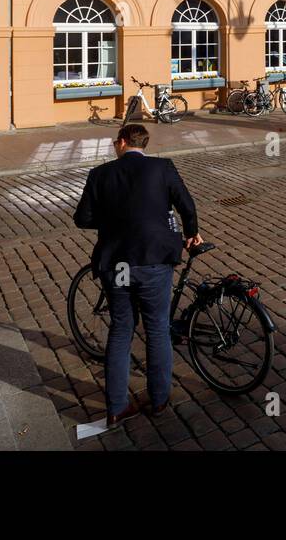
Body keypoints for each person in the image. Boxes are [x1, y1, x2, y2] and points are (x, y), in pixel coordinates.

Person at [74, 123, 202, 426]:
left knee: (121, 330)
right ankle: (158, 401)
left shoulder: (100, 174)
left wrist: (115, 221)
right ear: (143, 144)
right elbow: (187, 205)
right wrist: (191, 233)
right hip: (154, 260)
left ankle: (116, 408)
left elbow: (82, 218)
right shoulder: (162, 168)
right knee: (157, 328)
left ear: (121, 143)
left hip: (117, 264)